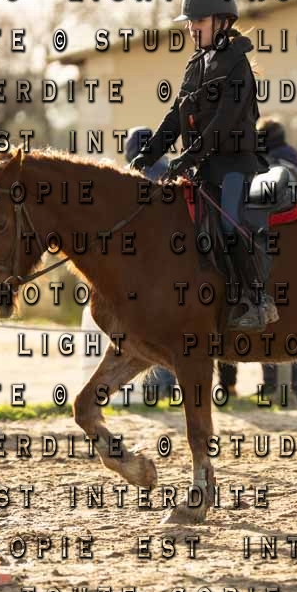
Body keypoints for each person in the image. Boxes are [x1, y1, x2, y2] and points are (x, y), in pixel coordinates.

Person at [130, 0, 277, 332]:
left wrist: (188, 157)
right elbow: (175, 116)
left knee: (227, 222)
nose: (192, 29)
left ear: (222, 22)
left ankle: (257, 300)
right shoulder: (195, 64)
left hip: (235, 165)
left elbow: (224, 123)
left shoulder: (238, 66)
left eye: (198, 21)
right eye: (190, 23)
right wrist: (149, 154)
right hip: (204, 166)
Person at [216, 117, 297, 398]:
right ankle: (296, 386)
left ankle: (265, 385)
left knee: (262, 317)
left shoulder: (260, 168)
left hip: (268, 251)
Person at [124, 128, 177, 398]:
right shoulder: (173, 171)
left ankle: (155, 387)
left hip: (146, 265)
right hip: (179, 262)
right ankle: (169, 385)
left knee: (151, 331)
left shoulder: (132, 175)